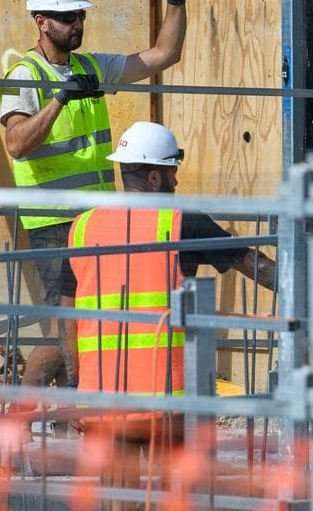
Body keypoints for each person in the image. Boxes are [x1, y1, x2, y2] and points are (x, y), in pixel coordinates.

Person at [1, 0, 197, 388]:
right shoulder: (24, 76)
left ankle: (75, 404)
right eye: (67, 17)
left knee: (85, 318)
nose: (77, 24)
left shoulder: (89, 68)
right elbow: (16, 144)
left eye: (80, 16)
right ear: (41, 21)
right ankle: (18, 415)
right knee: (63, 323)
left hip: (95, 219)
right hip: (52, 219)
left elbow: (163, 55)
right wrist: (58, 100)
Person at [67, 122, 275, 503]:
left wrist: (73, 388)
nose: (176, 185)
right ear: (153, 177)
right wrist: (308, 285)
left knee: (118, 498)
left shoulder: (83, 227)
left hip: (102, 400)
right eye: (172, 175)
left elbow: (66, 315)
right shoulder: (181, 221)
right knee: (176, 497)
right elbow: (253, 264)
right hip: (167, 400)